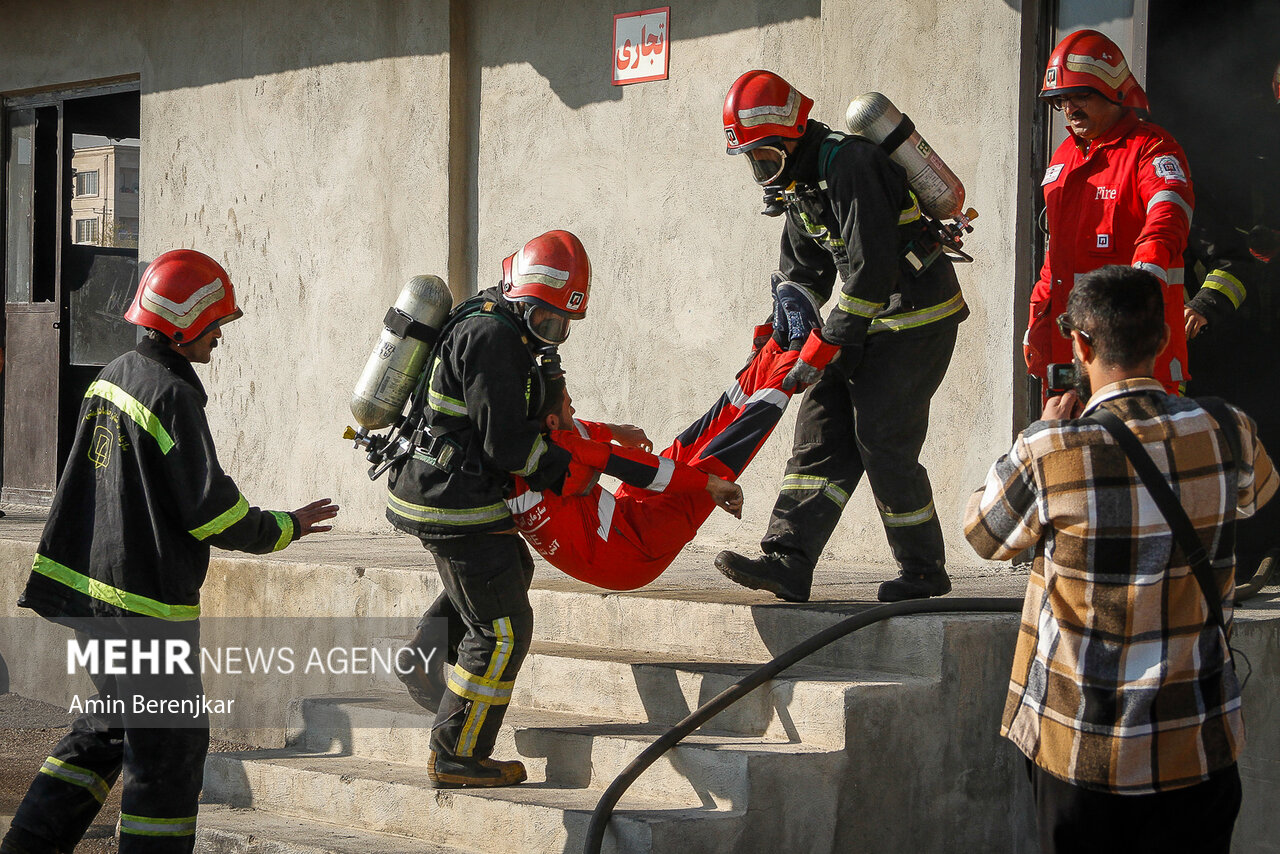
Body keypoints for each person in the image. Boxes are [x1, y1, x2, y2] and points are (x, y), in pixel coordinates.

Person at [0, 249, 339, 854]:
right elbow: (214, 512)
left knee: (104, 733)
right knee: (168, 749)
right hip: (146, 606)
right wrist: (285, 526)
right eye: (214, 324)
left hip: (94, 596)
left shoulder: (114, 375)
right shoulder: (173, 393)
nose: (218, 337)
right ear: (182, 324)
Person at [964, 265, 1276, 853]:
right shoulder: (1226, 429)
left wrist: (1032, 438)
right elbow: (1259, 493)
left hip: (1084, 748)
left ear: (1080, 345)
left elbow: (985, 535)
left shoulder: (1051, 447)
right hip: (1198, 740)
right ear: (1162, 340)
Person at [712, 69, 968, 604]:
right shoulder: (802, 185)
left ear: (790, 134)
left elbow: (871, 269)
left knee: (881, 435)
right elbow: (802, 274)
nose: (760, 171)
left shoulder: (850, 163)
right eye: (752, 161)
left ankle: (923, 570)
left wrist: (826, 344)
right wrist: (778, 335)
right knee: (820, 429)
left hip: (916, 318)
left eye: (764, 156)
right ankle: (788, 560)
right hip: (865, 322)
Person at [386, 230, 587, 789]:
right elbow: (508, 447)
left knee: (512, 571)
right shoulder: (493, 338)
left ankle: (422, 657)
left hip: (446, 489)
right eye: (547, 322)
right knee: (501, 629)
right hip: (455, 501)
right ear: (521, 298)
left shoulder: (493, 313)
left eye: (564, 325)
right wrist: (569, 472)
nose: (555, 334)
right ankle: (457, 754)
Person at [510, 296, 838, 591]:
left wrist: (614, 429)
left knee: (688, 445)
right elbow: (637, 467)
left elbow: (575, 430)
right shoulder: (560, 448)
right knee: (717, 460)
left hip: (619, 526)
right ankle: (798, 352)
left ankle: (773, 350)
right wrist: (711, 484)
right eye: (569, 404)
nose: (574, 408)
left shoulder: (520, 444)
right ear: (551, 422)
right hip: (636, 551)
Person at [1023, 29, 1198, 400]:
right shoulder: (1063, 157)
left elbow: (1168, 214)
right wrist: (1037, 322)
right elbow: (1056, 259)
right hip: (1069, 350)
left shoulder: (1151, 148)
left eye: (1081, 95)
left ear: (1114, 93)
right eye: (1062, 100)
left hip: (1132, 351)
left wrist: (1141, 284)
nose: (1070, 109)